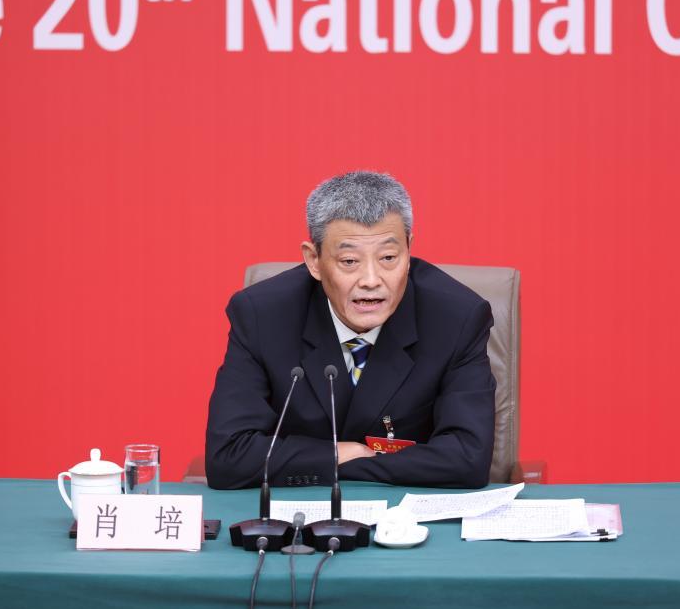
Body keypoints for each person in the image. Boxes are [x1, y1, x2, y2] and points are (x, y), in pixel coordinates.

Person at [205, 171, 495, 489]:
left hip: (407, 511)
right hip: (301, 512)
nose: (371, 280)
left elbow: (468, 458)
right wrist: (340, 454)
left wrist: (341, 463)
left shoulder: (456, 318)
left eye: (388, 258)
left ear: (409, 249)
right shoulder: (263, 315)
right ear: (314, 260)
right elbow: (229, 456)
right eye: (349, 261)